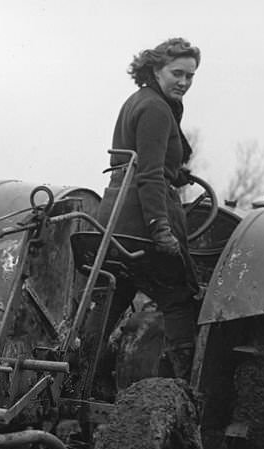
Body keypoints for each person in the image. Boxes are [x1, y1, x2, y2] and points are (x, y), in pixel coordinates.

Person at [94, 37, 201, 382]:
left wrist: (177, 172)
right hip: (141, 222)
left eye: (190, 76)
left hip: (113, 220)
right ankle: (181, 392)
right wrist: (161, 228)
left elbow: (136, 159)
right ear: (155, 69)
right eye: (177, 73)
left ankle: (79, 383)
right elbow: (149, 174)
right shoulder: (156, 109)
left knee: (110, 304)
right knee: (181, 299)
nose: (183, 82)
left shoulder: (138, 101)